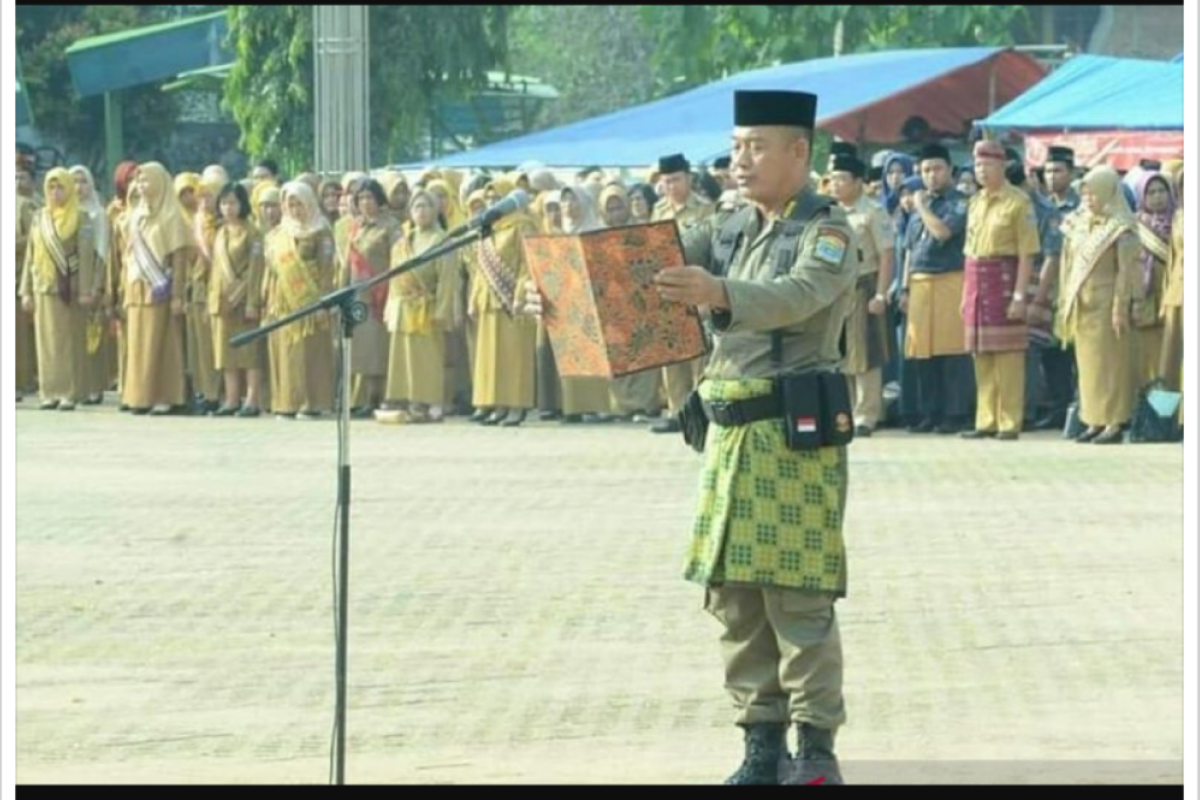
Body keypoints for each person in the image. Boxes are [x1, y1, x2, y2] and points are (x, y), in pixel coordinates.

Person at [527, 88, 857, 786]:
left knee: (796, 596)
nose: (740, 160)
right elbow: (645, 275)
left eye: (757, 146)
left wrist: (718, 294)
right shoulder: (729, 227)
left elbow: (799, 296)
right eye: (736, 146)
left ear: (800, 151)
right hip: (731, 436)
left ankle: (817, 751)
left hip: (793, 437)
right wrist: (566, 295)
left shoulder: (827, 231)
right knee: (734, 595)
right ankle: (761, 745)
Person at [961, 140, 1039, 441]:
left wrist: (1020, 296)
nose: (981, 170)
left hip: (1004, 279)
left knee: (1008, 355)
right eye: (978, 165)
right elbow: (969, 252)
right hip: (976, 284)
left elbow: (1027, 253)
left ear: (1002, 166)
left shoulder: (1018, 202)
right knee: (981, 354)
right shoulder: (975, 201)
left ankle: (1009, 421)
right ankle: (986, 419)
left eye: (988, 164)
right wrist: (964, 295)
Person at [1055, 167, 1138, 445]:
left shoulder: (1122, 227)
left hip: (1107, 306)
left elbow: (1126, 272)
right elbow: (1068, 263)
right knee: (1088, 367)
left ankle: (1114, 422)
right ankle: (1093, 419)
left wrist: (1120, 307)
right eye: (1085, 192)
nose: (1088, 198)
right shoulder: (1078, 223)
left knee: (1111, 365)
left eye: (1093, 192)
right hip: (1082, 304)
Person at [899, 144, 974, 434]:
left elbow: (942, 233)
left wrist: (920, 206)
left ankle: (954, 413)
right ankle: (928, 412)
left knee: (951, 352)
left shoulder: (959, 202)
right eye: (926, 170)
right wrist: (904, 288)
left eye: (938, 169)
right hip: (919, 282)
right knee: (922, 353)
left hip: (949, 279)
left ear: (950, 171)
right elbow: (909, 249)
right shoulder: (921, 205)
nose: (932, 175)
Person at [118, 162, 195, 415]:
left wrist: (177, 296)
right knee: (137, 344)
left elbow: (180, 259)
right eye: (138, 181)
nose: (141, 186)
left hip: (160, 289)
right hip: (136, 289)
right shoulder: (136, 216)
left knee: (161, 343)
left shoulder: (172, 216)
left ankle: (165, 395)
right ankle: (138, 395)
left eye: (146, 180)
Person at [20, 168, 98, 411]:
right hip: (43, 286)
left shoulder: (81, 217)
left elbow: (85, 256)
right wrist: (26, 290)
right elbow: (31, 257)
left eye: (60, 187)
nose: (55, 192)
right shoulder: (39, 217)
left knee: (68, 341)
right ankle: (49, 391)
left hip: (69, 288)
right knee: (46, 343)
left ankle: (69, 392)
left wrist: (85, 289)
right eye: (51, 187)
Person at [383, 189, 460, 423]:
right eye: (416, 207)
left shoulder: (442, 239)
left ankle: (431, 401)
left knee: (428, 357)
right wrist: (389, 307)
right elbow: (393, 278)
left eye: (426, 206)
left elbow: (448, 279)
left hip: (428, 307)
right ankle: (409, 399)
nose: (421, 211)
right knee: (405, 357)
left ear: (435, 210)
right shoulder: (404, 240)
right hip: (403, 306)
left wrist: (442, 311)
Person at [650, 153, 714, 434]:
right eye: (666, 181)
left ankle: (700, 410)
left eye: (676, 180)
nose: (671, 186)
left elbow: (712, 252)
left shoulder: (705, 210)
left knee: (698, 354)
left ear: (689, 179)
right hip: (666, 289)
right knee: (671, 353)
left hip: (694, 286)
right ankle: (677, 411)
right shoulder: (659, 210)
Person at [829, 153, 892, 436]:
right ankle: (847, 411)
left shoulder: (872, 212)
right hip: (836, 290)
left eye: (842, 179)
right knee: (840, 353)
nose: (836, 185)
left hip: (864, 285)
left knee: (865, 353)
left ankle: (867, 414)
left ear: (858, 182)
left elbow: (886, 254)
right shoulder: (830, 212)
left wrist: (881, 293)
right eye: (832, 179)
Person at [262, 182, 336, 420]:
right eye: (290, 204)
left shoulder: (321, 231)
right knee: (286, 354)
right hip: (284, 301)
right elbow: (272, 271)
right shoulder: (278, 235)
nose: (295, 209)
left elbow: (327, 270)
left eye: (299, 204)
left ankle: (311, 403)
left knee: (310, 354)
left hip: (311, 300)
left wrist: (323, 302)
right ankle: (286, 403)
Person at [339, 178, 402, 417]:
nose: (366, 203)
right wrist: (342, 290)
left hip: (380, 294)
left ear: (379, 199)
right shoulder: (354, 227)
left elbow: (399, 258)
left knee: (377, 348)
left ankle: (377, 397)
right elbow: (347, 262)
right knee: (359, 349)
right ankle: (360, 397)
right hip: (357, 295)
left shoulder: (391, 226)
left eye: (370, 198)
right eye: (361, 198)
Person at [208, 182, 265, 417]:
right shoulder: (220, 232)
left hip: (243, 301)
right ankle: (231, 399)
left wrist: (252, 300)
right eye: (224, 203)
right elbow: (215, 270)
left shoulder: (252, 233)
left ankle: (252, 400)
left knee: (249, 353)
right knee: (226, 353)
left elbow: (256, 269)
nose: (228, 208)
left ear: (242, 204)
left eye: (232, 202)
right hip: (222, 301)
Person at [69, 165, 115, 405]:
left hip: (91, 281)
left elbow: (103, 252)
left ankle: (95, 387)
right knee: (74, 338)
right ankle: (77, 385)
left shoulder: (98, 214)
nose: (79, 187)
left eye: (83, 181)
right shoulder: (64, 214)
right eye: (74, 182)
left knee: (93, 337)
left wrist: (97, 286)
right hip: (69, 286)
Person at [1131, 171, 1175, 388]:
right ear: (1141, 196)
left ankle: (1171, 413)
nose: (1157, 197)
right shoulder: (1132, 225)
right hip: (1143, 300)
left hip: (1172, 298)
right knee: (1146, 360)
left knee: (1170, 359)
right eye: (1150, 192)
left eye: (1161, 191)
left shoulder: (1180, 222)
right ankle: (1149, 415)